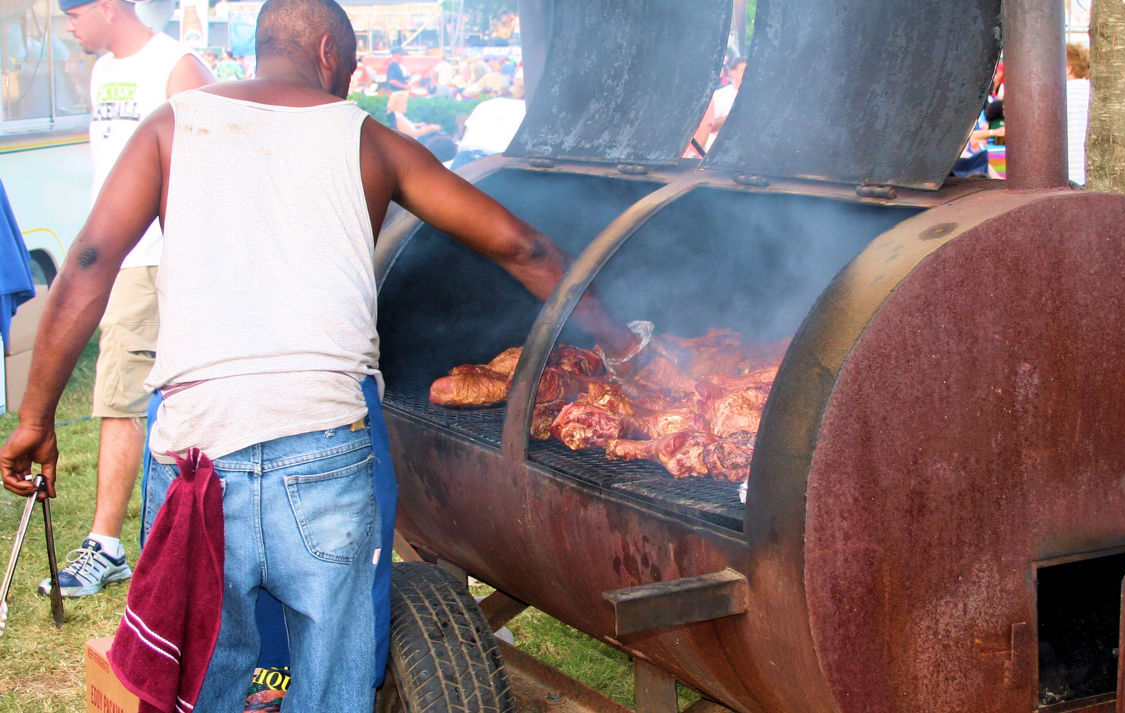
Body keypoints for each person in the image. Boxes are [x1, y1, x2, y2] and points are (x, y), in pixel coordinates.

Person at [0, 0, 653, 709]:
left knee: (205, 674)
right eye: (350, 64)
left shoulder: (172, 125)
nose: (349, 80)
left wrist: (36, 417)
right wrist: (623, 345)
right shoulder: (371, 141)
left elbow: (89, 261)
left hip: (196, 451)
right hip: (323, 448)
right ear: (325, 54)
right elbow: (521, 247)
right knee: (335, 681)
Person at [46, 0, 213, 599]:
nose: (66, 21)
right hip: (123, 257)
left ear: (110, 5)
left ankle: (141, 544)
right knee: (120, 394)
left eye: (72, 9)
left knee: (165, 398)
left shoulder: (178, 65)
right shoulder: (100, 71)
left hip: (166, 258)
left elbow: (213, 167)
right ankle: (112, 546)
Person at [452, 82, 526, 169]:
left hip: (465, 156)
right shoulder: (528, 111)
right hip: (496, 162)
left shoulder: (488, 104)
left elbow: (465, 136)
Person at [691, 57, 747, 153]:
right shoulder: (719, 96)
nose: (746, 74)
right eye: (743, 70)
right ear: (732, 72)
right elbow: (707, 126)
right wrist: (733, 117)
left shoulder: (758, 98)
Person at [1065, 43, 1091, 186]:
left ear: (1068, 69)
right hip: (1089, 175)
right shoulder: (1094, 93)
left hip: (1067, 176)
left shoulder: (1058, 95)